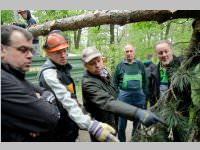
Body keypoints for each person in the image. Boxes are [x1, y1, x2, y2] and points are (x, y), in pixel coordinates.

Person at [37, 30, 119, 142]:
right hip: (58, 135)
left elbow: (72, 97)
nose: (63, 55)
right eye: (57, 52)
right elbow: (67, 100)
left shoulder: (62, 69)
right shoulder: (49, 74)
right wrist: (92, 126)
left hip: (70, 130)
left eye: (64, 50)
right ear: (48, 52)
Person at [81, 47, 165, 142]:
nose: (97, 65)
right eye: (92, 63)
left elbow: (113, 91)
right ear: (85, 66)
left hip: (111, 120)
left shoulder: (103, 73)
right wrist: (137, 112)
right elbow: (107, 102)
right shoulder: (88, 83)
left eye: (99, 60)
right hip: (100, 127)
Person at [1, 25, 60, 141]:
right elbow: (50, 117)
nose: (30, 56)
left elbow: (45, 92)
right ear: (2, 50)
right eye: (23, 50)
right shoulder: (3, 82)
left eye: (31, 50)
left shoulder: (16, 77)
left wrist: (41, 100)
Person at [152, 40, 192, 141]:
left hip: (180, 112)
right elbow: (152, 93)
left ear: (171, 50)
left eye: (166, 51)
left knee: (181, 139)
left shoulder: (182, 64)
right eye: (160, 53)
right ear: (157, 54)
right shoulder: (154, 71)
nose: (164, 55)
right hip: (161, 113)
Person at [112, 44, 148, 142]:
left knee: (137, 123)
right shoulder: (120, 66)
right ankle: (121, 142)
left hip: (139, 98)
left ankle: (135, 141)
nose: (129, 53)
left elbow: (145, 81)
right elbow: (114, 82)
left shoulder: (140, 64)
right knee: (121, 123)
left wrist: (145, 96)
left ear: (134, 52)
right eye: (127, 51)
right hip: (124, 98)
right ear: (124, 53)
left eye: (131, 51)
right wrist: (118, 95)